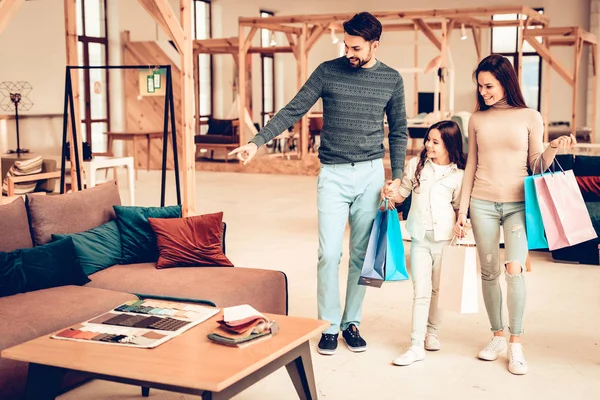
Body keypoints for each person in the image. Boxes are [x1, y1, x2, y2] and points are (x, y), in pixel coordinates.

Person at [229, 12, 408, 355]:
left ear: (375, 45)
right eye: (345, 44)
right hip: (333, 175)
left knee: (360, 254)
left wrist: (396, 175)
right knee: (328, 253)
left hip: (371, 173)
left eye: (356, 47)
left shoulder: (392, 79)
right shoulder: (328, 71)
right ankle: (328, 323)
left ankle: (351, 321)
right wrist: (256, 141)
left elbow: (398, 130)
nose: (349, 51)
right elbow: (293, 109)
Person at [454, 54, 576, 375]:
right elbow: (471, 165)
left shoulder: (530, 116)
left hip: (518, 205)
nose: (483, 92)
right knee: (489, 270)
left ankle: (516, 342)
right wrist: (462, 209)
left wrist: (552, 147)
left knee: (514, 269)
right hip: (481, 201)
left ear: (505, 82)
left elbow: (536, 165)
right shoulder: (477, 120)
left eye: (489, 86)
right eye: (480, 86)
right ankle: (496, 335)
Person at [381, 120, 465, 366]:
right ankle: (416, 345)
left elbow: (459, 207)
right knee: (421, 292)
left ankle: (432, 332)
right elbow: (401, 195)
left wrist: (463, 222)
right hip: (419, 238)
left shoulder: (458, 175)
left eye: (435, 142)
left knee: (438, 290)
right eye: (428, 140)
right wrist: (389, 192)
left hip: (444, 240)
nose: (428, 145)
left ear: (449, 145)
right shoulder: (415, 166)